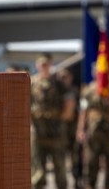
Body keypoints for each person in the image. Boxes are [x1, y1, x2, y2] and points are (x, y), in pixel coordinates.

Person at [30, 55, 74, 189]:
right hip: (38, 131)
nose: (44, 67)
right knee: (38, 168)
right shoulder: (31, 83)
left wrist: (66, 115)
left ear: (50, 65)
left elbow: (69, 100)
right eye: (41, 65)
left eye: (46, 64)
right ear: (37, 66)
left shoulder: (58, 83)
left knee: (60, 167)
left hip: (56, 131)